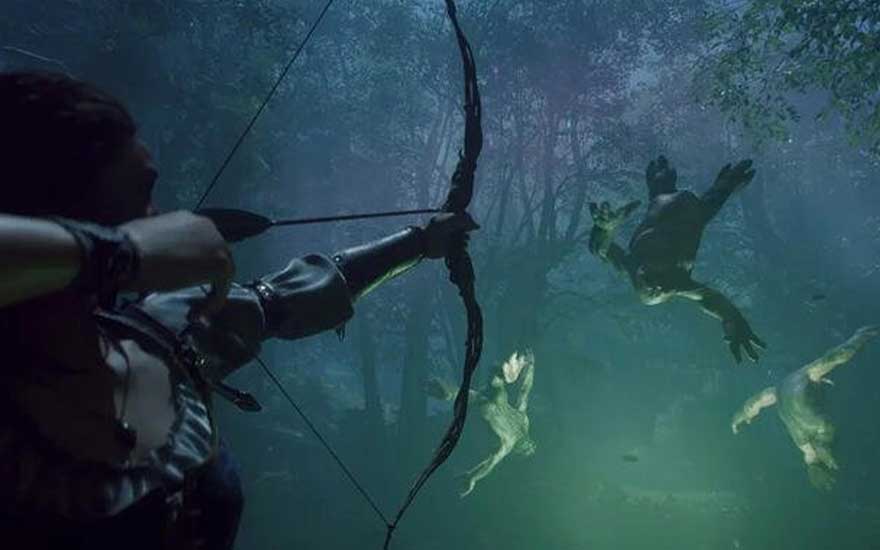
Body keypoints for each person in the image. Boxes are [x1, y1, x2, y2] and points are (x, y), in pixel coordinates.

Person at [0, 71, 477, 549]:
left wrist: (421, 240)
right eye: (140, 194)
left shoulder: (160, 334)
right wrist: (124, 254)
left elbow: (289, 296)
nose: (161, 221)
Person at [588, 155, 765, 363]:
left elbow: (598, 248)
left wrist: (604, 229)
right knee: (703, 207)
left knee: (691, 202)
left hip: (671, 208)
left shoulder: (632, 263)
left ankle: (664, 185)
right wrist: (733, 319)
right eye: (659, 289)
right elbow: (709, 298)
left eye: (647, 283)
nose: (655, 286)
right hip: (687, 215)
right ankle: (673, 186)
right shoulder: (676, 281)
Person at [731, 325, 879, 490]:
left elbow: (753, 405)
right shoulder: (807, 373)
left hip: (799, 437)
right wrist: (859, 337)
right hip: (820, 425)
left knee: (809, 451)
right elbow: (838, 356)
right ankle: (823, 449)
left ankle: (815, 463)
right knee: (825, 434)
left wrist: (739, 418)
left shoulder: (774, 392)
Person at [426, 349, 536, 497]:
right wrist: (530, 368)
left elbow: (491, 462)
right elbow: (524, 394)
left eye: (526, 451)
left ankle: (450, 392)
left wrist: (472, 477)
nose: (528, 447)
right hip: (494, 400)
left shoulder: (509, 443)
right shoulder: (523, 422)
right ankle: (448, 392)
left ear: (518, 452)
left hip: (487, 407)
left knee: (483, 395)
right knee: (487, 385)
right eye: (531, 447)